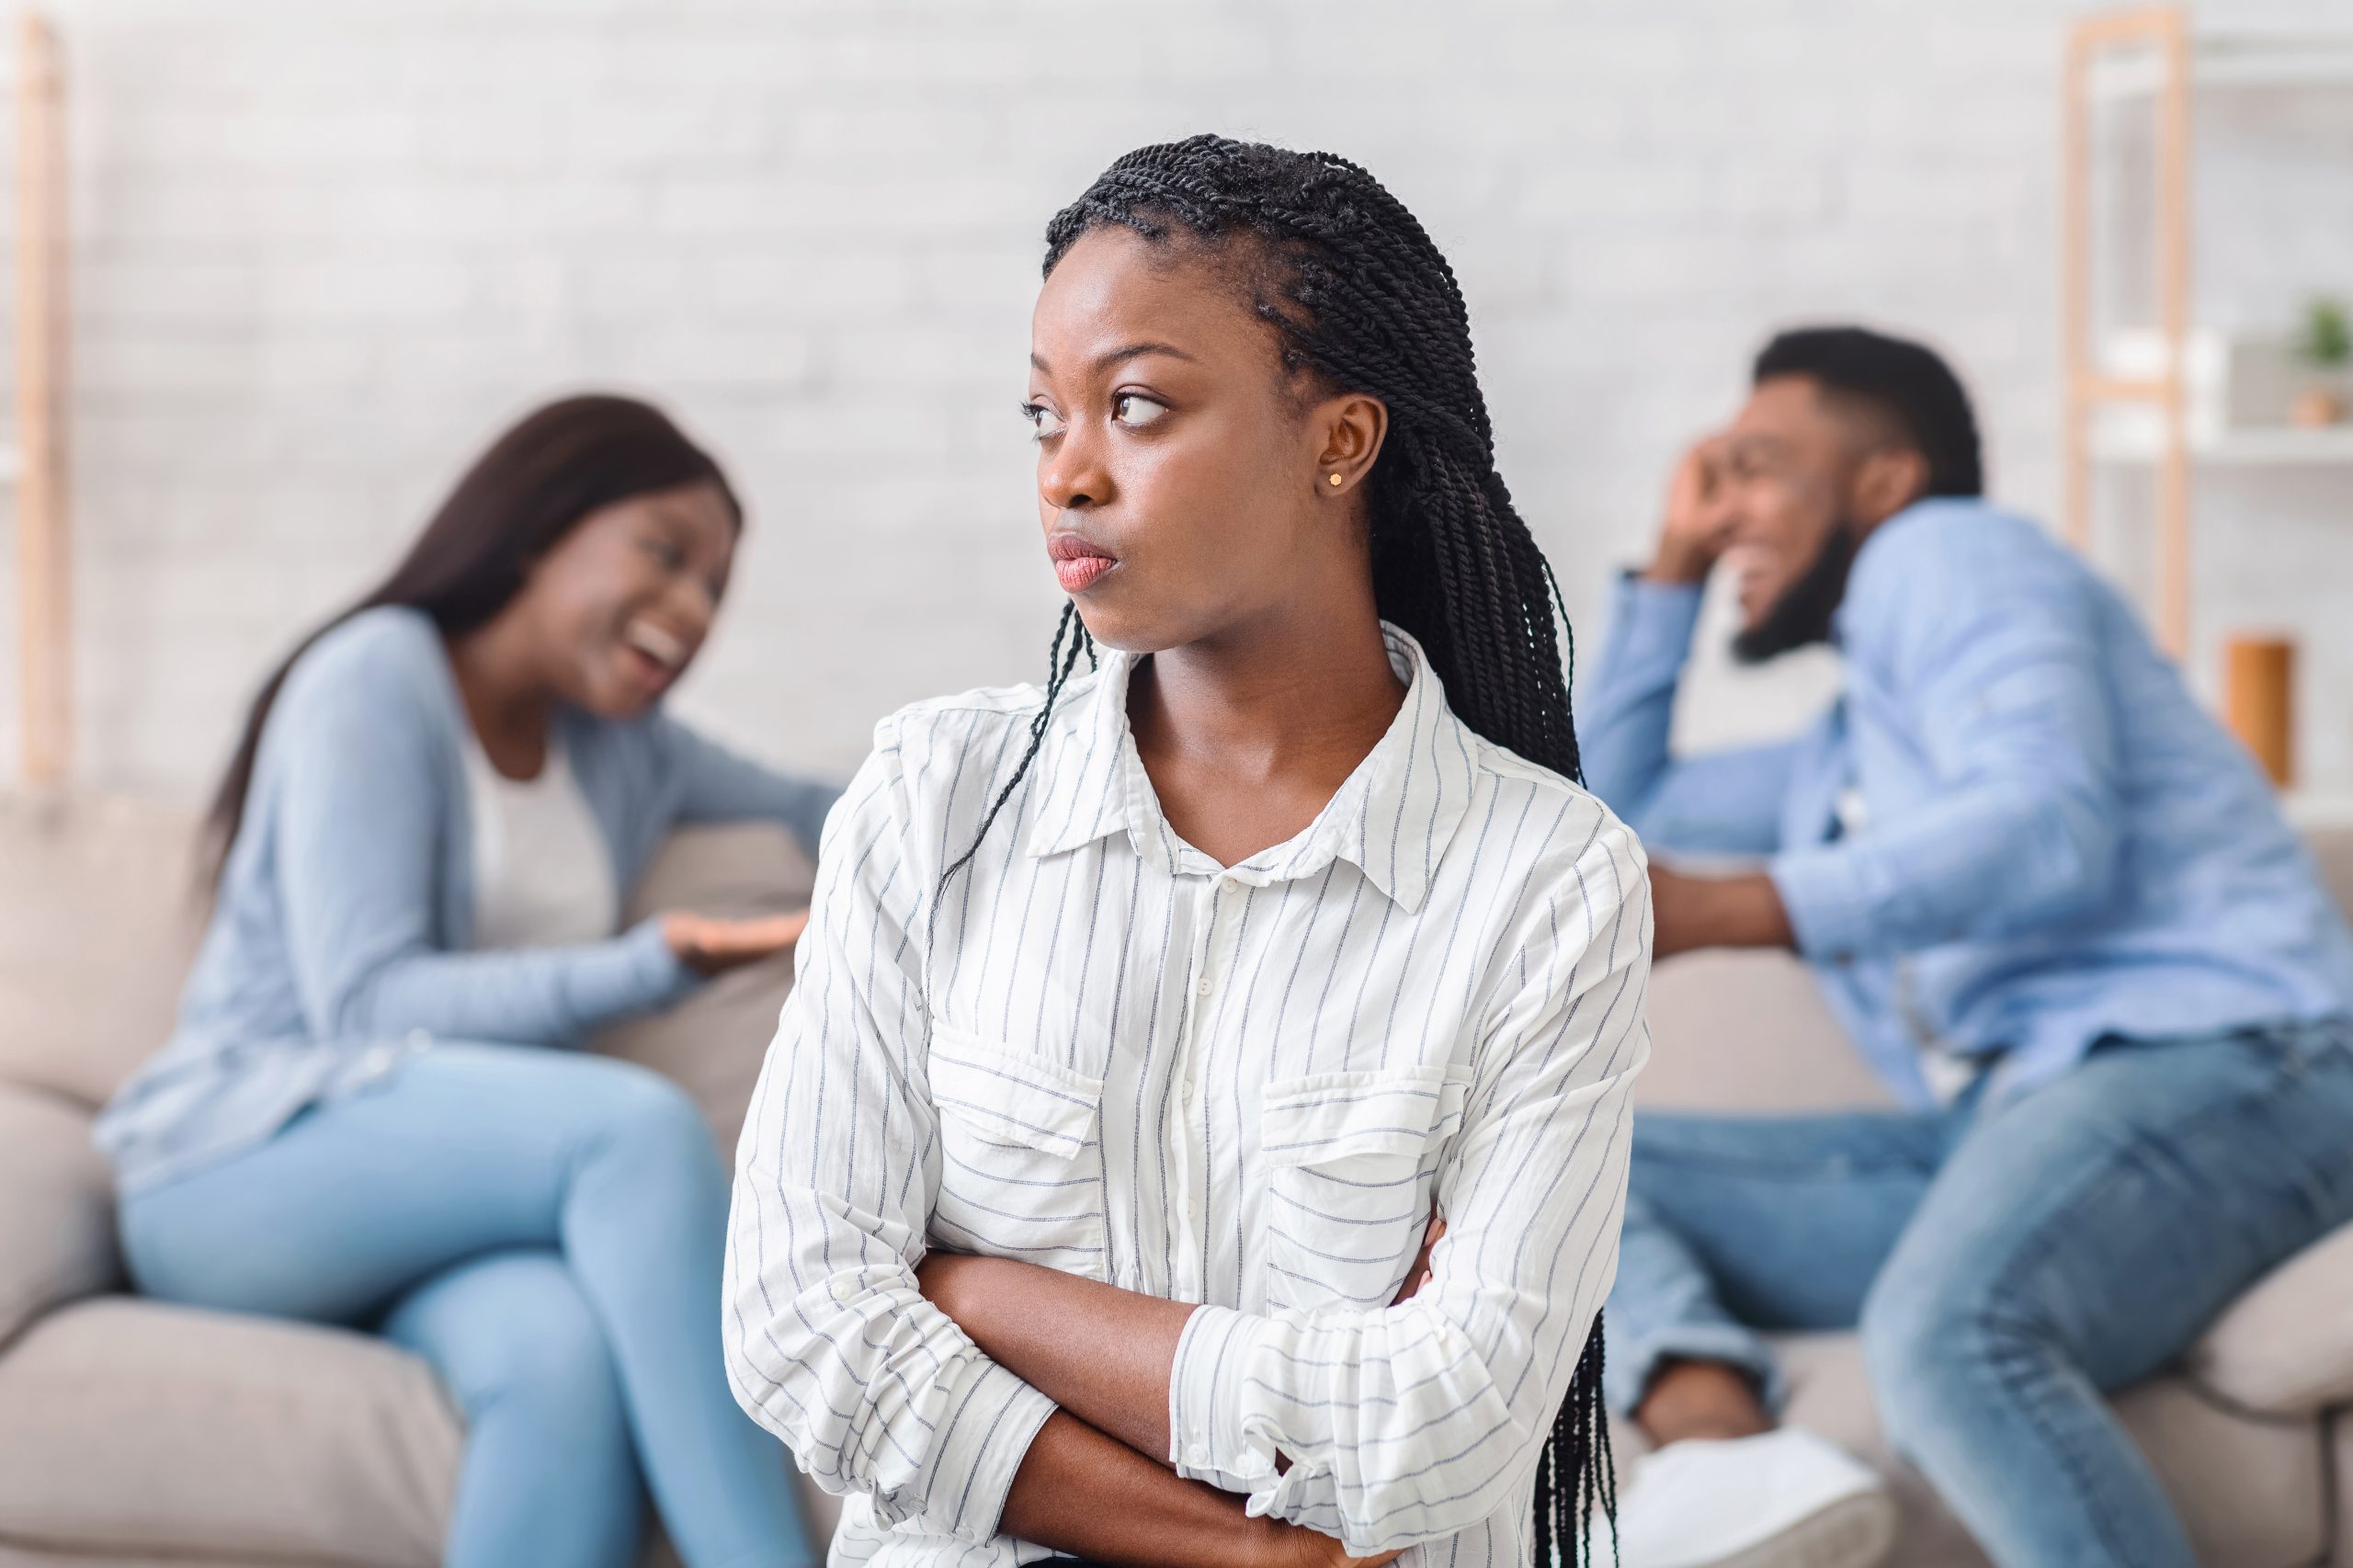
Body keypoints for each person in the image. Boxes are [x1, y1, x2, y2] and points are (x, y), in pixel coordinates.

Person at [722, 135, 1649, 1568]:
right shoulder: (935, 799)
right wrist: (1252, 1554)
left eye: (1135, 406)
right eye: (1044, 415)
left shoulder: (1548, 878)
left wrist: (974, 1292)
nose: (1068, 474)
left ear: (1340, 440)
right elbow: (798, 1323)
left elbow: (1446, 1419)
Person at [1578, 324, 2353, 1568]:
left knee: (1950, 1333)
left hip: (2234, 1064)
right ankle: (1729, 1454)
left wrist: (1729, 909)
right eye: (1712, 484)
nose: (1727, 511)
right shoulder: (1843, 756)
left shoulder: (1944, 550)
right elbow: (1607, 807)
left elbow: (2048, 825)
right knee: (1561, 1167)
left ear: (1884, 480)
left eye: (1757, 468)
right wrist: (1672, 568)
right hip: (2007, 1120)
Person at [96, 394, 834, 1568]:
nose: (694, 610)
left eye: (714, 588)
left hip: (440, 1212)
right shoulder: (374, 675)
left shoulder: (625, 746)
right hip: (238, 1166)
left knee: (557, 1355)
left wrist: (1039, 783)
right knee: (636, 1132)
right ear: (539, 529)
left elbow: (819, 805)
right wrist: (651, 964)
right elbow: (368, 1005)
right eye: (664, 554)